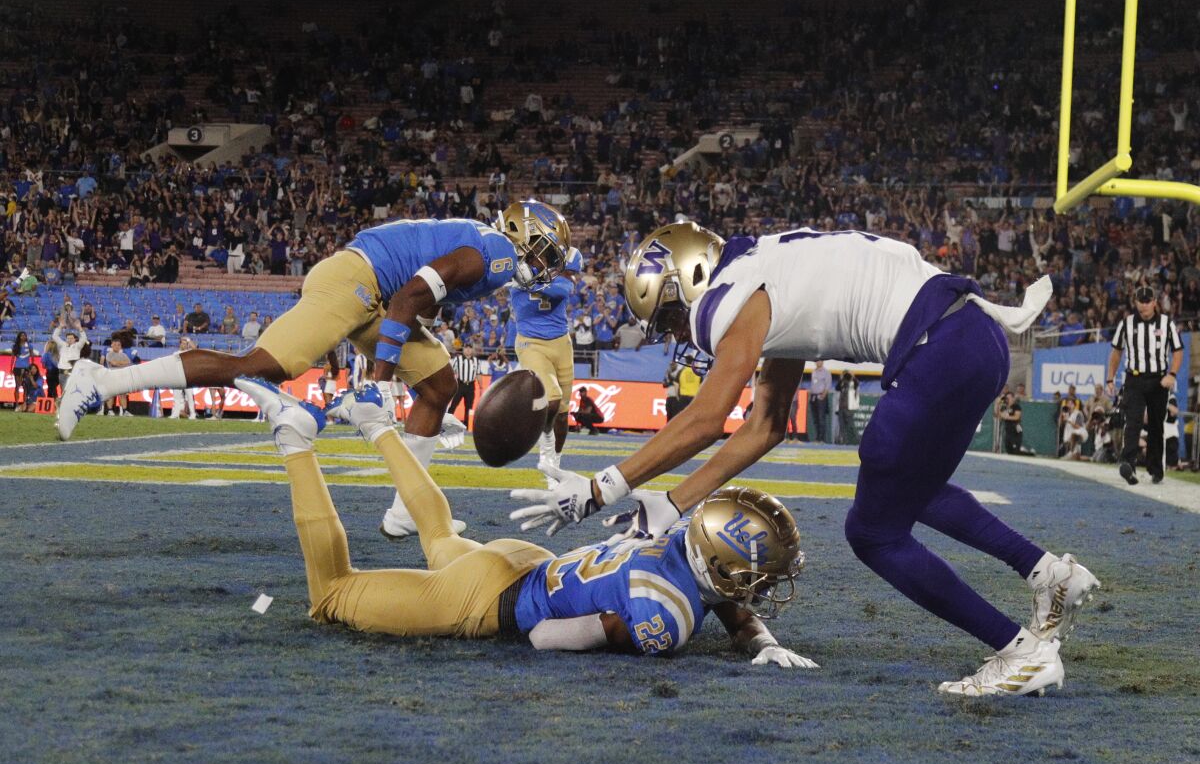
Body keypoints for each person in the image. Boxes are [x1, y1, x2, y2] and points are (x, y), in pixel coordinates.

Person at [511, 222, 1101, 697]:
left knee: (873, 532)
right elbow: (763, 427)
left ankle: (1020, 652)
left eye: (668, 315)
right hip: (973, 339)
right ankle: (1049, 573)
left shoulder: (731, 294)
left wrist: (599, 488)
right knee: (907, 489)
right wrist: (671, 500)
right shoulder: (769, 276)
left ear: (686, 277)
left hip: (938, 348)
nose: (676, 332)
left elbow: (709, 416)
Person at [54, 201, 571, 541]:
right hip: (359, 280)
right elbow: (411, 296)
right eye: (546, 250)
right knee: (257, 367)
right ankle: (103, 381)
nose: (549, 264)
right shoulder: (496, 254)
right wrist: (380, 381)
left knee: (438, 385)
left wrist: (401, 356)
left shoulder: (483, 248)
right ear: (521, 235)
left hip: (378, 289)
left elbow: (420, 300)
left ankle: (402, 512)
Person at [236, 379, 816, 667]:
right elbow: (545, 638)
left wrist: (761, 640)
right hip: (489, 600)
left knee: (439, 536)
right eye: (761, 573)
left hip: (525, 561)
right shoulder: (665, 617)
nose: (762, 585)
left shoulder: (678, 538)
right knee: (331, 594)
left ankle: (374, 420)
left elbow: (729, 606)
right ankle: (294, 436)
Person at [511, 245, 583, 477]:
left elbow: (561, 290)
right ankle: (546, 440)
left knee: (563, 413)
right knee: (552, 399)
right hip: (531, 343)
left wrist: (530, 281)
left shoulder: (559, 272)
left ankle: (555, 466)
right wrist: (523, 277)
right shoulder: (517, 272)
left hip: (561, 344)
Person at [1105, 285, 1184, 485]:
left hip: (1159, 380)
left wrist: (1172, 374)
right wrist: (1110, 378)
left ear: (1155, 302)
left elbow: (1178, 351)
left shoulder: (1166, 324)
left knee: (1157, 425)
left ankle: (1155, 469)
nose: (1144, 305)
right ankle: (1128, 465)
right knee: (1133, 421)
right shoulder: (1127, 323)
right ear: (1136, 303)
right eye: (1141, 302)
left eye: (1148, 301)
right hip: (1134, 378)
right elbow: (1116, 351)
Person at [447, 345, 484, 422]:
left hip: (470, 385)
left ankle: (467, 425)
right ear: (463, 349)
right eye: (466, 348)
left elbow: (478, 374)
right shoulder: (457, 359)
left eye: (470, 348)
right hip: (460, 384)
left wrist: (481, 387)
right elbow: (451, 373)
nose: (468, 350)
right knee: (453, 405)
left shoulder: (476, 361)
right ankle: (446, 423)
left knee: (469, 407)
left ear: (472, 350)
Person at [103, 339, 132, 416]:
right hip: (112, 376)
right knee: (111, 394)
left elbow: (128, 363)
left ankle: (125, 411)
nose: (117, 346)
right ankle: (110, 410)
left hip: (122, 376)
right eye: (115, 344)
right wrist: (122, 364)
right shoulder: (109, 354)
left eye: (118, 345)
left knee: (122, 394)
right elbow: (113, 364)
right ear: (112, 345)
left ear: (121, 346)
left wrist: (118, 363)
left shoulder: (124, 355)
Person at [808, 360, 832, 443]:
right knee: (815, 418)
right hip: (813, 396)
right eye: (816, 361)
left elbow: (828, 385)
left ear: (822, 362)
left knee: (821, 418)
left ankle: (822, 439)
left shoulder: (826, 372)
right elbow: (813, 384)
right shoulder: (814, 372)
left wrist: (824, 395)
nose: (818, 363)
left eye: (819, 361)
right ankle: (817, 438)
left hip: (820, 396)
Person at [836, 371, 859, 445]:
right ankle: (844, 441)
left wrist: (852, 376)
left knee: (851, 425)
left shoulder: (853, 383)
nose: (846, 377)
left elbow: (857, 383)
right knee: (842, 426)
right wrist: (841, 379)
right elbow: (837, 388)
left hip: (849, 408)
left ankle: (856, 441)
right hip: (841, 407)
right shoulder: (842, 383)